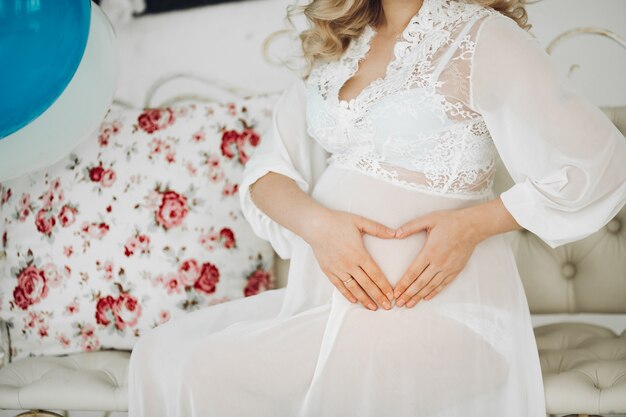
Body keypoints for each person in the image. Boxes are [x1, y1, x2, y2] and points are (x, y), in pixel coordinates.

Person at [127, 0, 626, 415]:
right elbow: (266, 175)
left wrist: (473, 225)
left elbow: (602, 161)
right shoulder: (341, 44)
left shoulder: (482, 37)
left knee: (203, 372)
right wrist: (319, 227)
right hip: (324, 308)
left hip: (447, 314)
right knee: (159, 353)